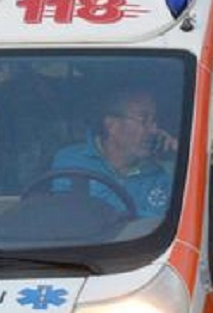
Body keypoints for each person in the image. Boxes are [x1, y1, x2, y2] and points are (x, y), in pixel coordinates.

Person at [50, 87, 177, 218]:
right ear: (112, 125)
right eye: (144, 120)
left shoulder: (162, 172)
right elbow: (70, 213)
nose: (153, 130)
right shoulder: (73, 160)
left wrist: (177, 162)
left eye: (154, 121)